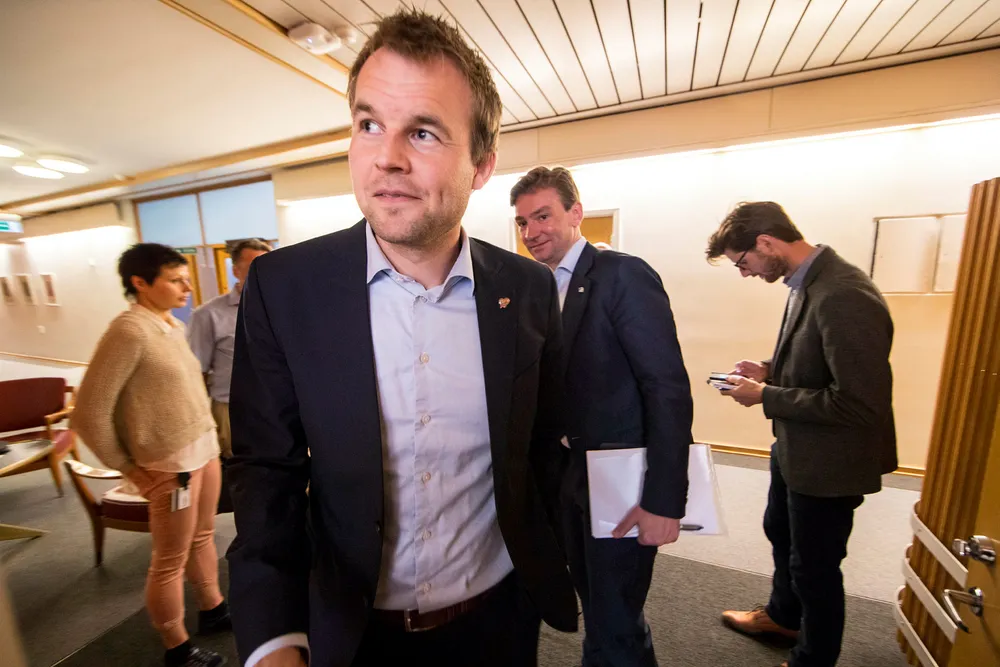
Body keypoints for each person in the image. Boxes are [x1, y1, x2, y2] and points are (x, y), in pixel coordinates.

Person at [225, 10, 577, 667]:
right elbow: (267, 472)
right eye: (368, 124)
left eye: (422, 131)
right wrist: (273, 639)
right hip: (351, 632)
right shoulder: (285, 287)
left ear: (481, 165)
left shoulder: (528, 290)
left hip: (498, 620)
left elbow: (542, 444)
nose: (385, 157)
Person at [512, 166, 694, 667]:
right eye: (523, 222)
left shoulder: (621, 275)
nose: (532, 231)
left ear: (576, 213)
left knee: (614, 618)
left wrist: (664, 500)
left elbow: (667, 389)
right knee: (598, 606)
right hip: (570, 475)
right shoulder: (538, 287)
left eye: (543, 216)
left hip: (622, 477)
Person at [705, 202, 897, 667]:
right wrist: (769, 369)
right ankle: (782, 617)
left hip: (831, 462)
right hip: (797, 447)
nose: (745, 273)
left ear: (766, 243)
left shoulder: (843, 293)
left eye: (743, 262)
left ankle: (813, 658)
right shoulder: (806, 282)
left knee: (815, 568)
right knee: (781, 532)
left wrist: (766, 395)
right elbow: (820, 359)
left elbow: (858, 403)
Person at [71, 243, 232, 667]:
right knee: (169, 561)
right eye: (175, 280)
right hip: (170, 466)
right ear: (140, 283)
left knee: (203, 536)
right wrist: (128, 469)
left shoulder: (172, 325)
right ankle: (177, 647)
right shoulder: (129, 331)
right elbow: (89, 413)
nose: (187, 288)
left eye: (186, 278)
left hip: (203, 451)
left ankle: (213, 608)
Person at [187, 239, 271, 459]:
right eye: (254, 266)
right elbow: (196, 372)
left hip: (277, 406)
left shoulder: (280, 309)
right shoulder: (208, 315)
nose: (264, 272)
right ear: (236, 270)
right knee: (240, 468)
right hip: (232, 408)